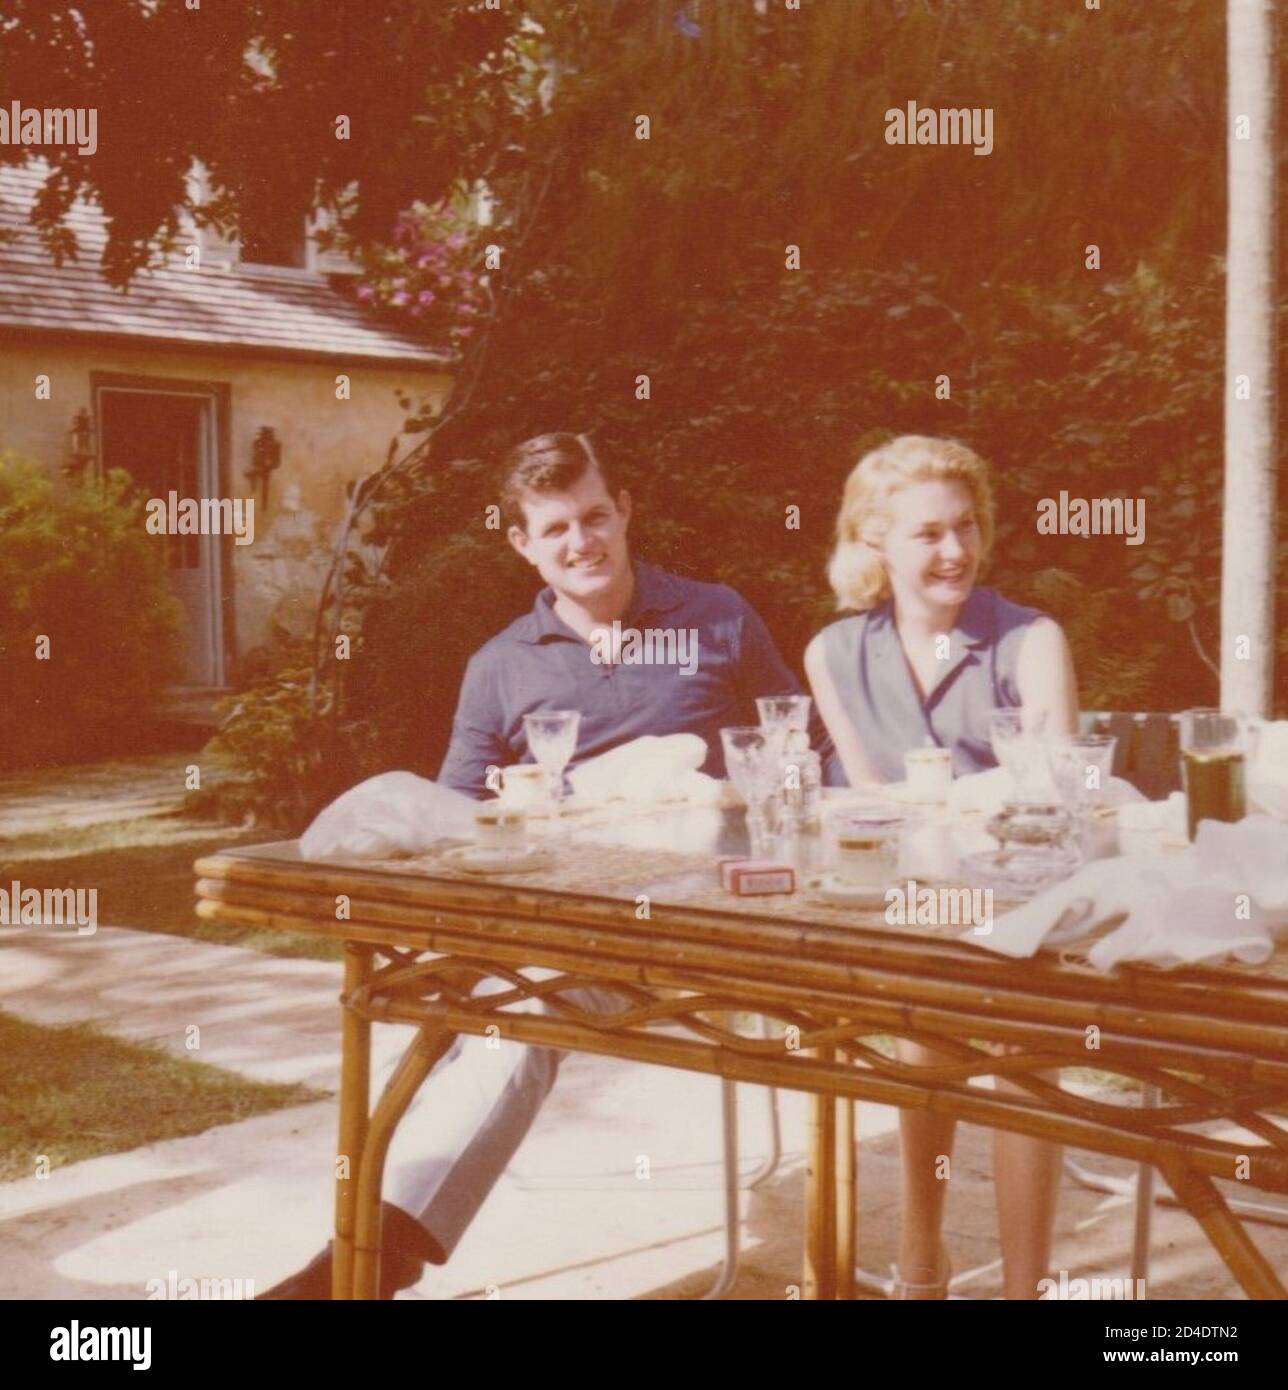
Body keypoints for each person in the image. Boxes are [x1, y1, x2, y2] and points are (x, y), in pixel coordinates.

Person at [263, 431, 835, 1298]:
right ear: (521, 542)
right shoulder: (499, 665)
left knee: (505, 1014)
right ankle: (359, 1259)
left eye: (595, 516)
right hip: (555, 922)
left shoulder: (716, 617)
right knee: (450, 1016)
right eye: (557, 528)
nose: (583, 542)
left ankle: (358, 1271)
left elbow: (805, 753)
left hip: (707, 931)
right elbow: (455, 826)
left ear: (625, 510)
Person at [804, 434, 1079, 1300]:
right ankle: (923, 1257)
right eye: (928, 534)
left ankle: (1024, 1287)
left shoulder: (1030, 639)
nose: (954, 551)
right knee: (922, 1004)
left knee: (1020, 1030)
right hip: (914, 904)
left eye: (966, 528)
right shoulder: (834, 654)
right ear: (873, 541)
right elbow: (863, 804)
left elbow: (1053, 797)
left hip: (1023, 900)